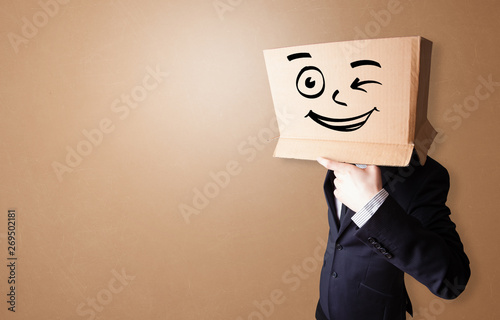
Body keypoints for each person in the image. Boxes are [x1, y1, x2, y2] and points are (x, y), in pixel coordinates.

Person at [314, 151, 470, 320]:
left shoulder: (421, 173)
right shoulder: (337, 150)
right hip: (326, 309)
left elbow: (452, 280)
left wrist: (373, 207)